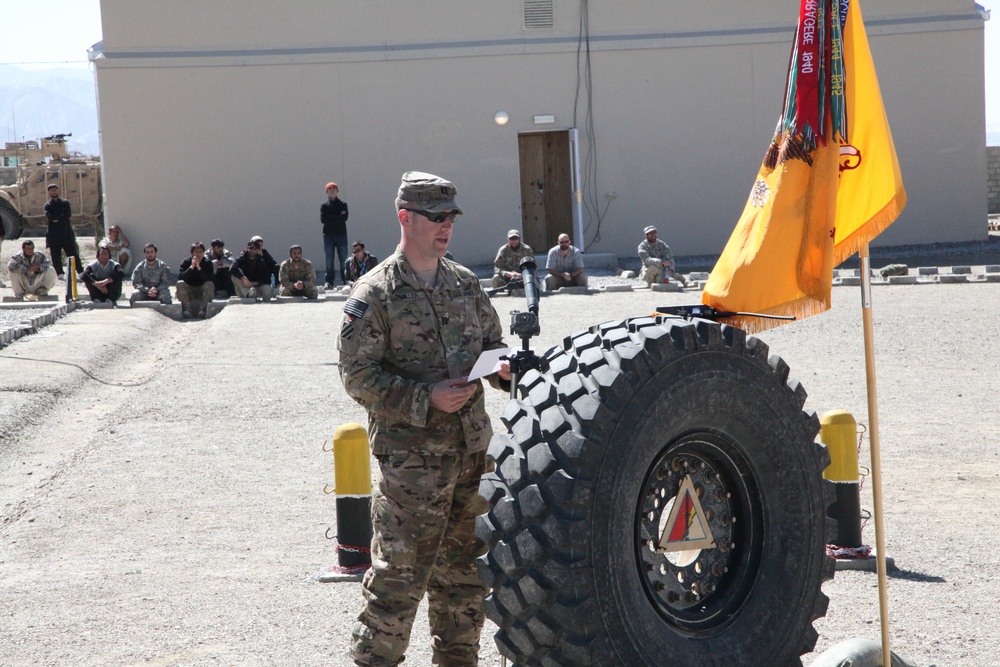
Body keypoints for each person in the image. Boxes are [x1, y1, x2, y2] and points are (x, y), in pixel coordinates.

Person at [338, 171, 510, 667]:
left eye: (451, 217)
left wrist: (502, 369)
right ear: (405, 218)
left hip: (471, 457)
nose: (446, 227)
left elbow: (493, 344)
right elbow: (357, 376)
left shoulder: (464, 283)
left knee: (465, 583)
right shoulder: (375, 293)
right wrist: (424, 398)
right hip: (413, 466)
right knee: (397, 584)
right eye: (436, 217)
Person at [44, 183, 82, 278]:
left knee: (72, 253)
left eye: (55, 190)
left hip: (66, 232)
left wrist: (59, 218)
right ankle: (60, 273)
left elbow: (67, 214)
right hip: (54, 234)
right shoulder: (47, 205)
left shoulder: (65, 203)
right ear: (49, 192)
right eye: (52, 190)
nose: (54, 192)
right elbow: (50, 217)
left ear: (58, 191)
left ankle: (80, 271)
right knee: (55, 255)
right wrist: (60, 217)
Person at [321, 182, 350, 288]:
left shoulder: (343, 204)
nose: (332, 190)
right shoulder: (324, 206)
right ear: (327, 192)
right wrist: (338, 216)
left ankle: (346, 279)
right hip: (328, 236)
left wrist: (331, 217)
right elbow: (323, 219)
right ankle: (329, 281)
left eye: (334, 188)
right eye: (329, 188)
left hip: (341, 235)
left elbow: (345, 218)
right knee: (329, 260)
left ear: (337, 191)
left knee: (343, 260)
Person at [176, 242, 215, 318]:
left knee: (210, 284)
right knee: (180, 283)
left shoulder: (207, 263)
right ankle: (187, 310)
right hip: (189, 291)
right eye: (196, 252)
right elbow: (181, 277)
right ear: (192, 253)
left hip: (201, 291)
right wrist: (192, 267)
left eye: (201, 252)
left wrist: (199, 267)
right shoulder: (186, 262)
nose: (198, 254)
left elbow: (208, 279)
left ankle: (202, 310)